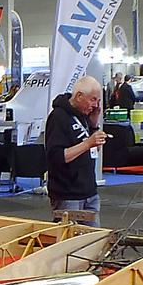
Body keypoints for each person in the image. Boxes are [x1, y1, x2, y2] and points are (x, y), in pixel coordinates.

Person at [44, 75, 108, 224]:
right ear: (79, 96)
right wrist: (87, 143)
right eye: (93, 99)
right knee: (70, 242)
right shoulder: (58, 117)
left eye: (98, 101)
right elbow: (56, 157)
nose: (96, 105)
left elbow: (94, 152)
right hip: (68, 194)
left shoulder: (84, 116)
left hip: (89, 191)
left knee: (93, 240)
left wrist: (94, 124)